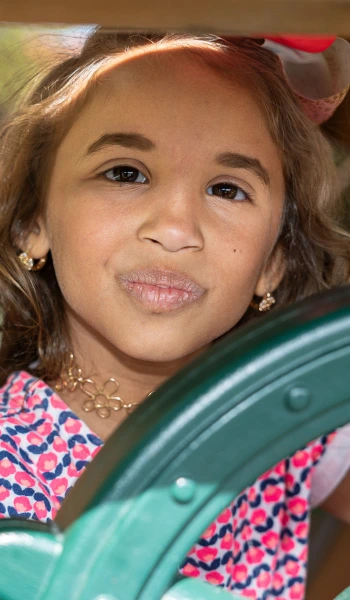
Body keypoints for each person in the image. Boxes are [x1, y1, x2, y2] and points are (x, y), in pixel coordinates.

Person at [0, 28, 349, 599]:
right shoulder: (12, 463)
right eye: (125, 173)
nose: (175, 230)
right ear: (32, 224)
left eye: (227, 189)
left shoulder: (290, 426)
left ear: (274, 261)